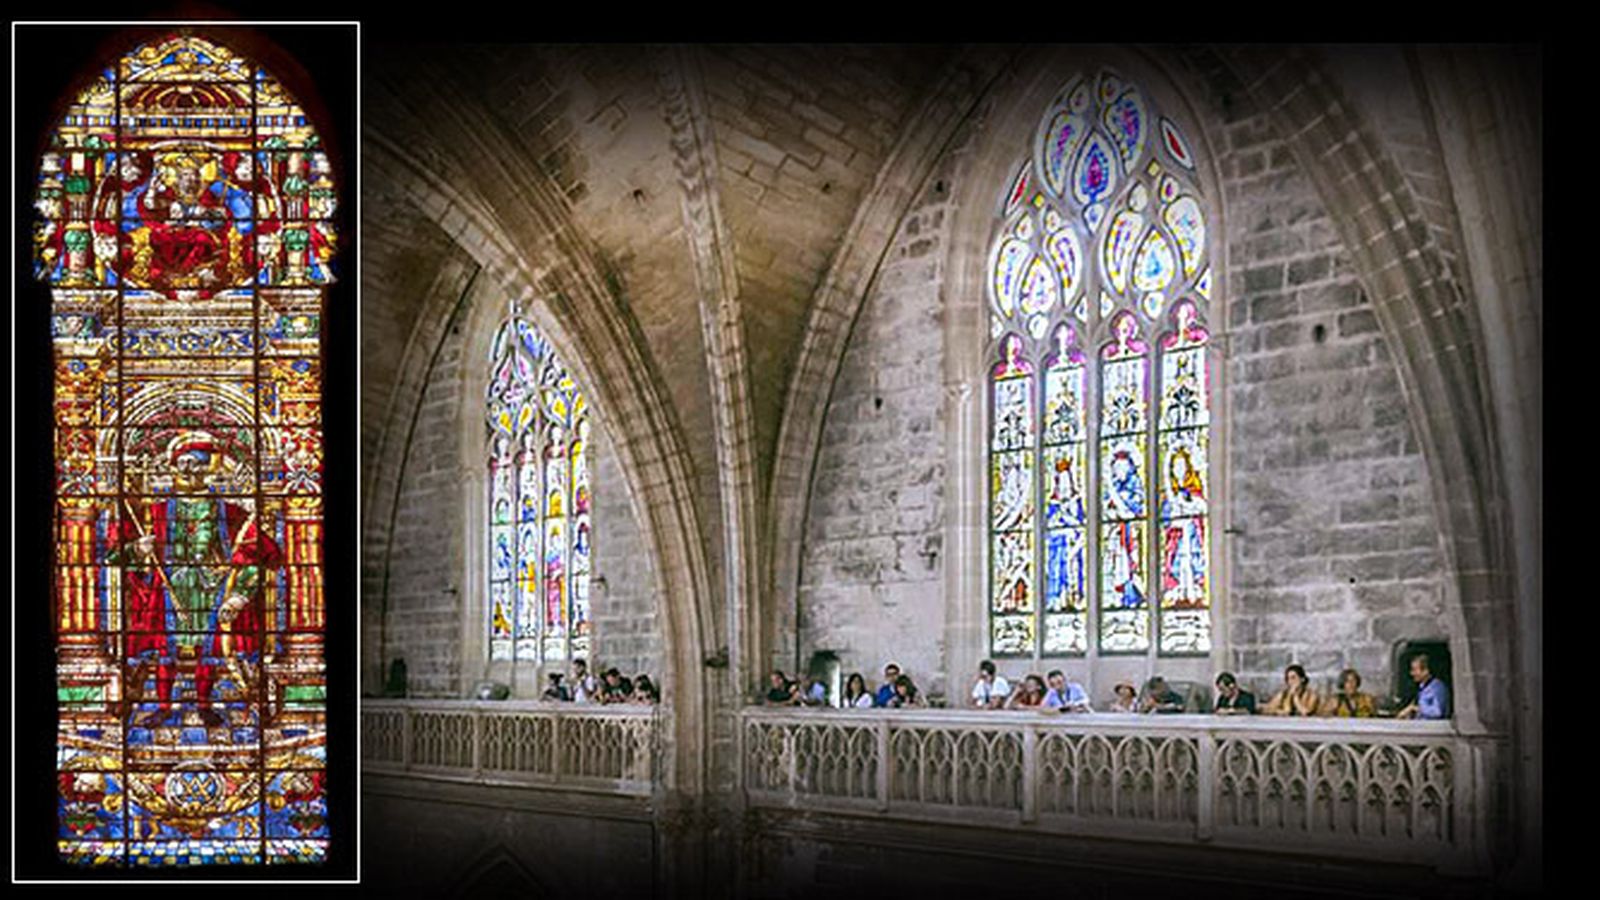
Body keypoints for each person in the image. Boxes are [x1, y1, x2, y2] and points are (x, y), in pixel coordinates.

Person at [109, 431, 282, 727]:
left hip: (212, 586)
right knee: (165, 650)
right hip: (168, 586)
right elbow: (113, 558)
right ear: (174, 467)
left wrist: (239, 594)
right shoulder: (154, 513)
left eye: (197, 463)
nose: (189, 470)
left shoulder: (230, 513)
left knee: (209, 649)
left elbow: (265, 554)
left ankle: (204, 704)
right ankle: (163, 706)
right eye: (183, 463)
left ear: (209, 467)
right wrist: (138, 549)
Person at [1397, 654, 1451, 720]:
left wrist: (1414, 708)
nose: (1412, 673)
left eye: (1414, 670)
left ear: (1426, 671)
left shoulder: (1438, 687)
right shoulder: (1421, 687)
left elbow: (1438, 712)